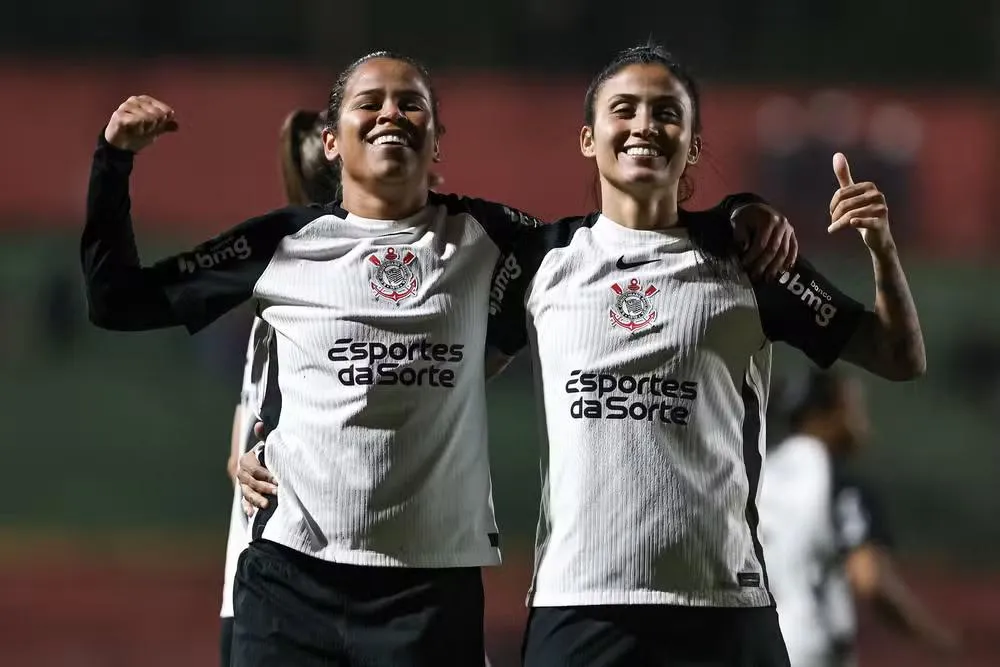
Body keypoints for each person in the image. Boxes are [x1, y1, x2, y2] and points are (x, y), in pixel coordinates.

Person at [83, 51, 795, 666]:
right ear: (330, 141)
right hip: (288, 581)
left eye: (411, 104)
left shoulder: (488, 237)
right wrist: (113, 163)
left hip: (428, 594)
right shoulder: (283, 244)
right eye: (370, 102)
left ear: (437, 142)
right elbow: (119, 300)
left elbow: (625, 230)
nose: (391, 113)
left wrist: (733, 215)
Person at [477, 43, 926, 666]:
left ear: (692, 143)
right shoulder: (541, 261)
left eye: (666, 113)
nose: (643, 127)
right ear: (588, 138)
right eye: (624, 109)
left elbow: (898, 357)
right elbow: (444, 379)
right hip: (578, 605)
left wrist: (882, 251)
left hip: (723, 608)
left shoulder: (749, 258)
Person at [218, 109, 338, 667]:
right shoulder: (325, 290)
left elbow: (237, 454)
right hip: (304, 573)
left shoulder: (278, 287)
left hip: (259, 573)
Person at [761, 370, 958, 667]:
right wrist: (933, 636)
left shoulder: (761, 476)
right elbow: (868, 578)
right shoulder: (837, 482)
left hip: (758, 643)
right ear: (823, 416)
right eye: (852, 408)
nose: (862, 422)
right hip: (811, 648)